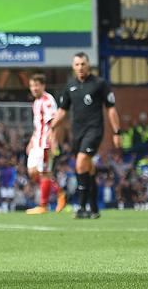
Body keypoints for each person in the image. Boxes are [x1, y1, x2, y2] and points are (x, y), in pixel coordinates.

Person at [51, 52, 121, 219]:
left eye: (83, 64)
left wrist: (117, 132)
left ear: (88, 65)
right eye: (77, 64)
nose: (80, 67)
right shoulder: (70, 86)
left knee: (81, 163)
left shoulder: (99, 84)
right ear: (73, 67)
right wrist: (51, 127)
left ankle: (81, 207)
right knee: (87, 169)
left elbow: (111, 108)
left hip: (94, 130)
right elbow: (62, 111)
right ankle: (94, 208)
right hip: (77, 132)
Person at [24, 73, 64, 214]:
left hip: (45, 143)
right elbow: (38, 126)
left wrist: (53, 140)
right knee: (32, 171)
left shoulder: (48, 100)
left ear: (43, 86)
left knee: (45, 173)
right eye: (32, 86)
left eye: (36, 85)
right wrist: (31, 141)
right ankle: (59, 192)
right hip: (37, 142)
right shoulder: (36, 102)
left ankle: (43, 205)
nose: (34, 88)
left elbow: (54, 122)